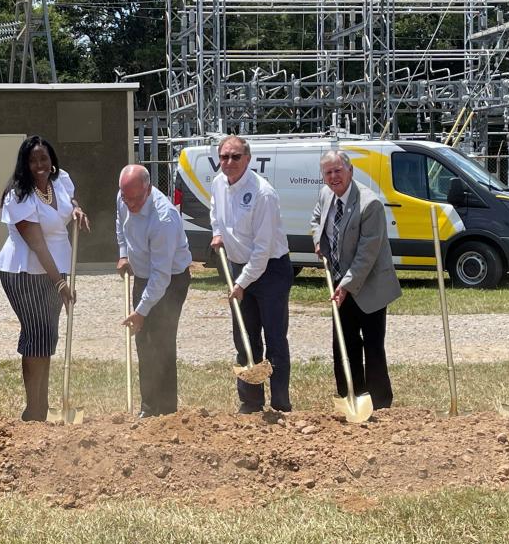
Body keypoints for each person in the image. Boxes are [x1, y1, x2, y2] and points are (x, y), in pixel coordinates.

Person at [0, 135, 88, 421]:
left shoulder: (60, 180)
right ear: (25, 163)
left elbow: (69, 199)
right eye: (33, 160)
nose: (40, 165)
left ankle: (43, 405)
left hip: (56, 267)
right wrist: (59, 283)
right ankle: (33, 409)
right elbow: (36, 243)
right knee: (36, 333)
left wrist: (76, 208)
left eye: (44, 159)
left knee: (48, 335)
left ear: (51, 160)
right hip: (24, 271)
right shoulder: (18, 195)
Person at [311, 149, 401, 410]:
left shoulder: (369, 204)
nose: (333, 176)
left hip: (369, 287)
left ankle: (380, 404)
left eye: (338, 170)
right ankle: (350, 397)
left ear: (350, 171)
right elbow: (316, 219)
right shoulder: (326, 194)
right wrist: (318, 240)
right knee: (343, 344)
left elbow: (367, 253)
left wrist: (346, 285)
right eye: (328, 172)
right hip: (340, 284)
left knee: (373, 347)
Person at [210, 135, 293, 413]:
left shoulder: (263, 193)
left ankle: (280, 403)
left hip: (270, 270)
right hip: (239, 266)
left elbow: (262, 249)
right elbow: (215, 212)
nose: (229, 162)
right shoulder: (218, 183)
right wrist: (218, 233)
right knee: (245, 339)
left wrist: (241, 283)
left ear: (248, 158)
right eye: (224, 157)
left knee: (274, 340)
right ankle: (251, 402)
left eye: (235, 157)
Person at [116, 165, 192, 417]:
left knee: (162, 341)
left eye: (136, 199)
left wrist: (140, 311)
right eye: (126, 198)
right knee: (143, 341)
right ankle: (148, 406)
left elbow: (161, 275)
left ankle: (167, 411)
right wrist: (123, 254)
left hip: (171, 281)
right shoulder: (124, 197)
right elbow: (120, 224)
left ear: (148, 189)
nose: (130, 204)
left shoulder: (164, 218)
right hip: (143, 275)